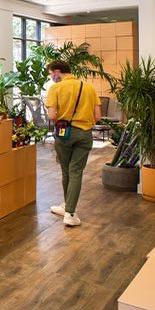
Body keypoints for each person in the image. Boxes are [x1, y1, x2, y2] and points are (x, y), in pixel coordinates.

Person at [45, 60, 101, 227]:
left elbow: (52, 115)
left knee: (66, 171)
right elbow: (97, 116)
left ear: (57, 72)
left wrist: (62, 119)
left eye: (51, 74)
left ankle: (69, 212)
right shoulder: (89, 88)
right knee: (76, 171)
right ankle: (68, 208)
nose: (51, 77)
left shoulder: (55, 88)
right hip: (85, 134)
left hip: (64, 134)